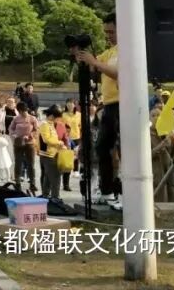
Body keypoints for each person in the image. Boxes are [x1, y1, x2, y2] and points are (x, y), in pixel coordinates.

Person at [76, 12, 121, 209]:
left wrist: (94, 62)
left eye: (111, 31)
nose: (108, 35)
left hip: (123, 103)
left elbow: (118, 72)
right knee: (102, 147)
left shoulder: (128, 48)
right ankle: (107, 191)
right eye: (106, 32)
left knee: (123, 150)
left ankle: (123, 192)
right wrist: (80, 54)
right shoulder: (109, 52)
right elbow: (94, 64)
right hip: (109, 105)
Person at [9, 102, 39, 194]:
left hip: (29, 143)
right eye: (21, 112)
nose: (23, 113)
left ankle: (32, 183)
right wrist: (14, 135)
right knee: (18, 163)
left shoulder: (32, 118)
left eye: (24, 111)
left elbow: (36, 130)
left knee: (31, 164)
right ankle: (17, 182)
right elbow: (11, 129)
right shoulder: (16, 119)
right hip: (18, 143)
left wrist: (30, 135)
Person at [149, 108, 174, 202]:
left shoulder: (167, 133)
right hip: (157, 172)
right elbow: (147, 156)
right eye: (153, 115)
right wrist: (161, 145)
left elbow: (173, 153)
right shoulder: (147, 134)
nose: (156, 118)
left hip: (169, 171)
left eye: (158, 115)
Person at [38, 106, 65, 200]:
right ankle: (55, 197)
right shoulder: (45, 124)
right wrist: (59, 143)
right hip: (48, 154)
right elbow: (46, 139)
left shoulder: (50, 124)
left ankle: (45, 195)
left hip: (51, 153)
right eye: (58, 117)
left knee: (48, 177)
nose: (58, 120)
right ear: (53, 116)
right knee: (56, 177)